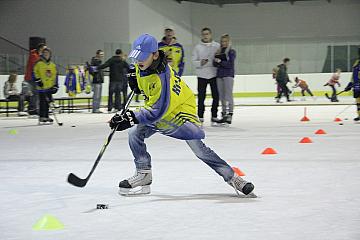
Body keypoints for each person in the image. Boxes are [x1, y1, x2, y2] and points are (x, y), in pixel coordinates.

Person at [110, 34, 254, 197]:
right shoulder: (144, 64)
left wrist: (130, 118)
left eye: (142, 58)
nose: (138, 61)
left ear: (155, 55)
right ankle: (144, 174)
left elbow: (157, 111)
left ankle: (233, 178)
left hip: (180, 113)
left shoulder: (161, 77)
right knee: (134, 133)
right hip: (160, 111)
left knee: (199, 150)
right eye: (136, 57)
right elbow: (139, 74)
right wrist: (134, 78)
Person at [192, 27, 221, 124]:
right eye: (204, 34)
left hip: (214, 74)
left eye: (207, 34)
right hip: (202, 75)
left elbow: (221, 58)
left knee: (216, 96)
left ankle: (214, 115)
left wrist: (218, 61)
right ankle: (200, 116)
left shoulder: (217, 46)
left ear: (211, 34)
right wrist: (201, 62)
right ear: (202, 35)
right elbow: (193, 61)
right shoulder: (197, 47)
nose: (206, 36)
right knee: (201, 97)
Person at [213, 34, 236, 124]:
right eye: (222, 41)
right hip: (219, 75)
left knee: (228, 95)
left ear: (229, 42)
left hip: (228, 75)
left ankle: (230, 113)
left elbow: (230, 64)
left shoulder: (231, 51)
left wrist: (221, 62)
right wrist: (216, 59)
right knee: (221, 96)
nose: (223, 43)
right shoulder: (219, 51)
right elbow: (214, 64)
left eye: (225, 41)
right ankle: (224, 114)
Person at [33, 48, 58, 123]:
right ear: (42, 54)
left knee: (48, 101)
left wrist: (55, 85)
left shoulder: (52, 65)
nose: (46, 54)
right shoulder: (38, 63)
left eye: (47, 53)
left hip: (49, 86)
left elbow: (55, 75)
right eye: (45, 53)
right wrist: (38, 81)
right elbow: (34, 73)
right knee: (43, 101)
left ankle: (46, 116)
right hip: (42, 86)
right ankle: (42, 116)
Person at [24, 43, 47, 116]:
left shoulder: (38, 56)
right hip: (31, 77)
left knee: (36, 93)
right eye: (44, 48)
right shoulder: (34, 56)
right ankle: (32, 108)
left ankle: (34, 108)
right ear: (40, 49)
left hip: (34, 77)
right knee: (35, 93)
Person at [344, 48, 360, 121]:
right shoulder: (356, 62)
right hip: (357, 86)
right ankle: (359, 115)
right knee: (358, 102)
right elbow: (354, 75)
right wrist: (350, 84)